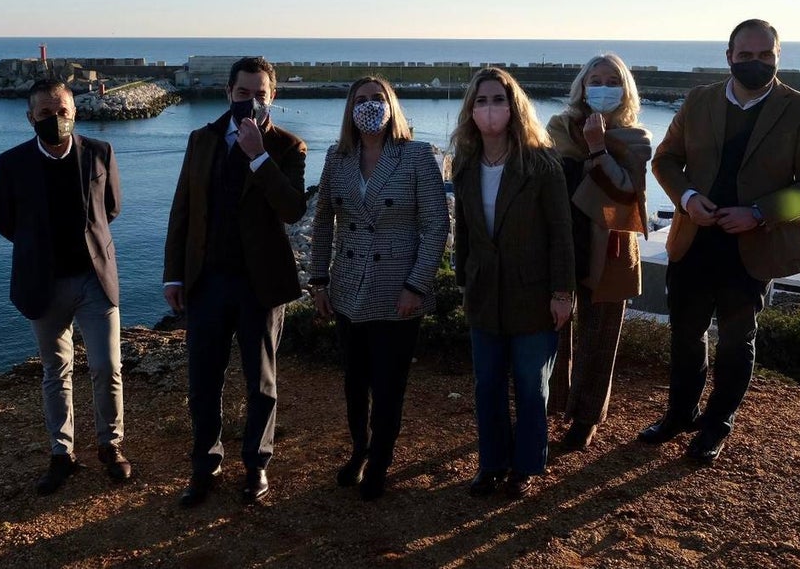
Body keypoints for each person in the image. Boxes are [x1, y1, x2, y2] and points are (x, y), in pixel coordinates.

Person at [639, 19, 800, 464]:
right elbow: (666, 160)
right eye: (745, 55)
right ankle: (679, 414)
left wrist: (760, 213)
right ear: (729, 56)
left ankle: (715, 425)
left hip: (753, 247)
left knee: (736, 340)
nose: (755, 62)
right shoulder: (700, 100)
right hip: (694, 239)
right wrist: (687, 198)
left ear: (777, 56)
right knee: (685, 335)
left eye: (764, 55)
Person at [163, 57, 308, 507]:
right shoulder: (201, 139)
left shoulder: (289, 147)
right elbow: (182, 210)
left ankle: (256, 465)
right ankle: (205, 465)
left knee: (260, 380)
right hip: (207, 281)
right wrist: (174, 274)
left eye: (261, 94)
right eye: (244, 93)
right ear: (229, 93)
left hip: (260, 285)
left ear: (273, 97)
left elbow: (292, 210)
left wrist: (258, 156)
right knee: (203, 379)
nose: (252, 102)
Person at [308, 76, 449, 501]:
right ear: (349, 109)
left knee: (389, 385)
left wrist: (416, 286)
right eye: (361, 99)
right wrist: (318, 281)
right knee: (355, 381)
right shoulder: (338, 157)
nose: (370, 105)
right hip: (348, 288)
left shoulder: (419, 156)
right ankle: (359, 450)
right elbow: (322, 222)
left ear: (393, 106)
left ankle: (380, 462)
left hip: (397, 290)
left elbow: (436, 225)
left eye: (378, 98)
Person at [0, 79, 133, 495]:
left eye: (63, 111)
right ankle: (62, 454)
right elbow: (4, 222)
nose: (56, 119)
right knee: (56, 370)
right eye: (46, 113)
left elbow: (112, 207)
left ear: (75, 111)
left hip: (95, 278)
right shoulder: (11, 163)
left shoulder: (100, 153)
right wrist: (39, 248)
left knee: (108, 367)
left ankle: (111, 446)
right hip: (44, 283)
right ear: (31, 117)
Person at [451, 68, 575, 499]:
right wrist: (461, 275)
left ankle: (525, 466)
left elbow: (562, 232)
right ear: (471, 110)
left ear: (514, 106)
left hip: (533, 294)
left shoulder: (541, 163)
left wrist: (562, 293)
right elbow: (464, 228)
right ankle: (492, 464)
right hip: (484, 293)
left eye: (498, 100)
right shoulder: (465, 164)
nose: (490, 110)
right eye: (481, 101)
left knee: (529, 384)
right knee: (486, 385)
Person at [546, 54, 651, 450]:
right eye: (595, 80)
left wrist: (597, 149)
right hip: (564, 240)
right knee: (555, 330)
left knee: (601, 335)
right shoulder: (559, 127)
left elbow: (627, 192)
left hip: (611, 245)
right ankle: (552, 402)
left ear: (625, 89)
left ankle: (587, 416)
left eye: (612, 80)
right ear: (582, 86)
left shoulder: (636, 137)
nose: (603, 87)